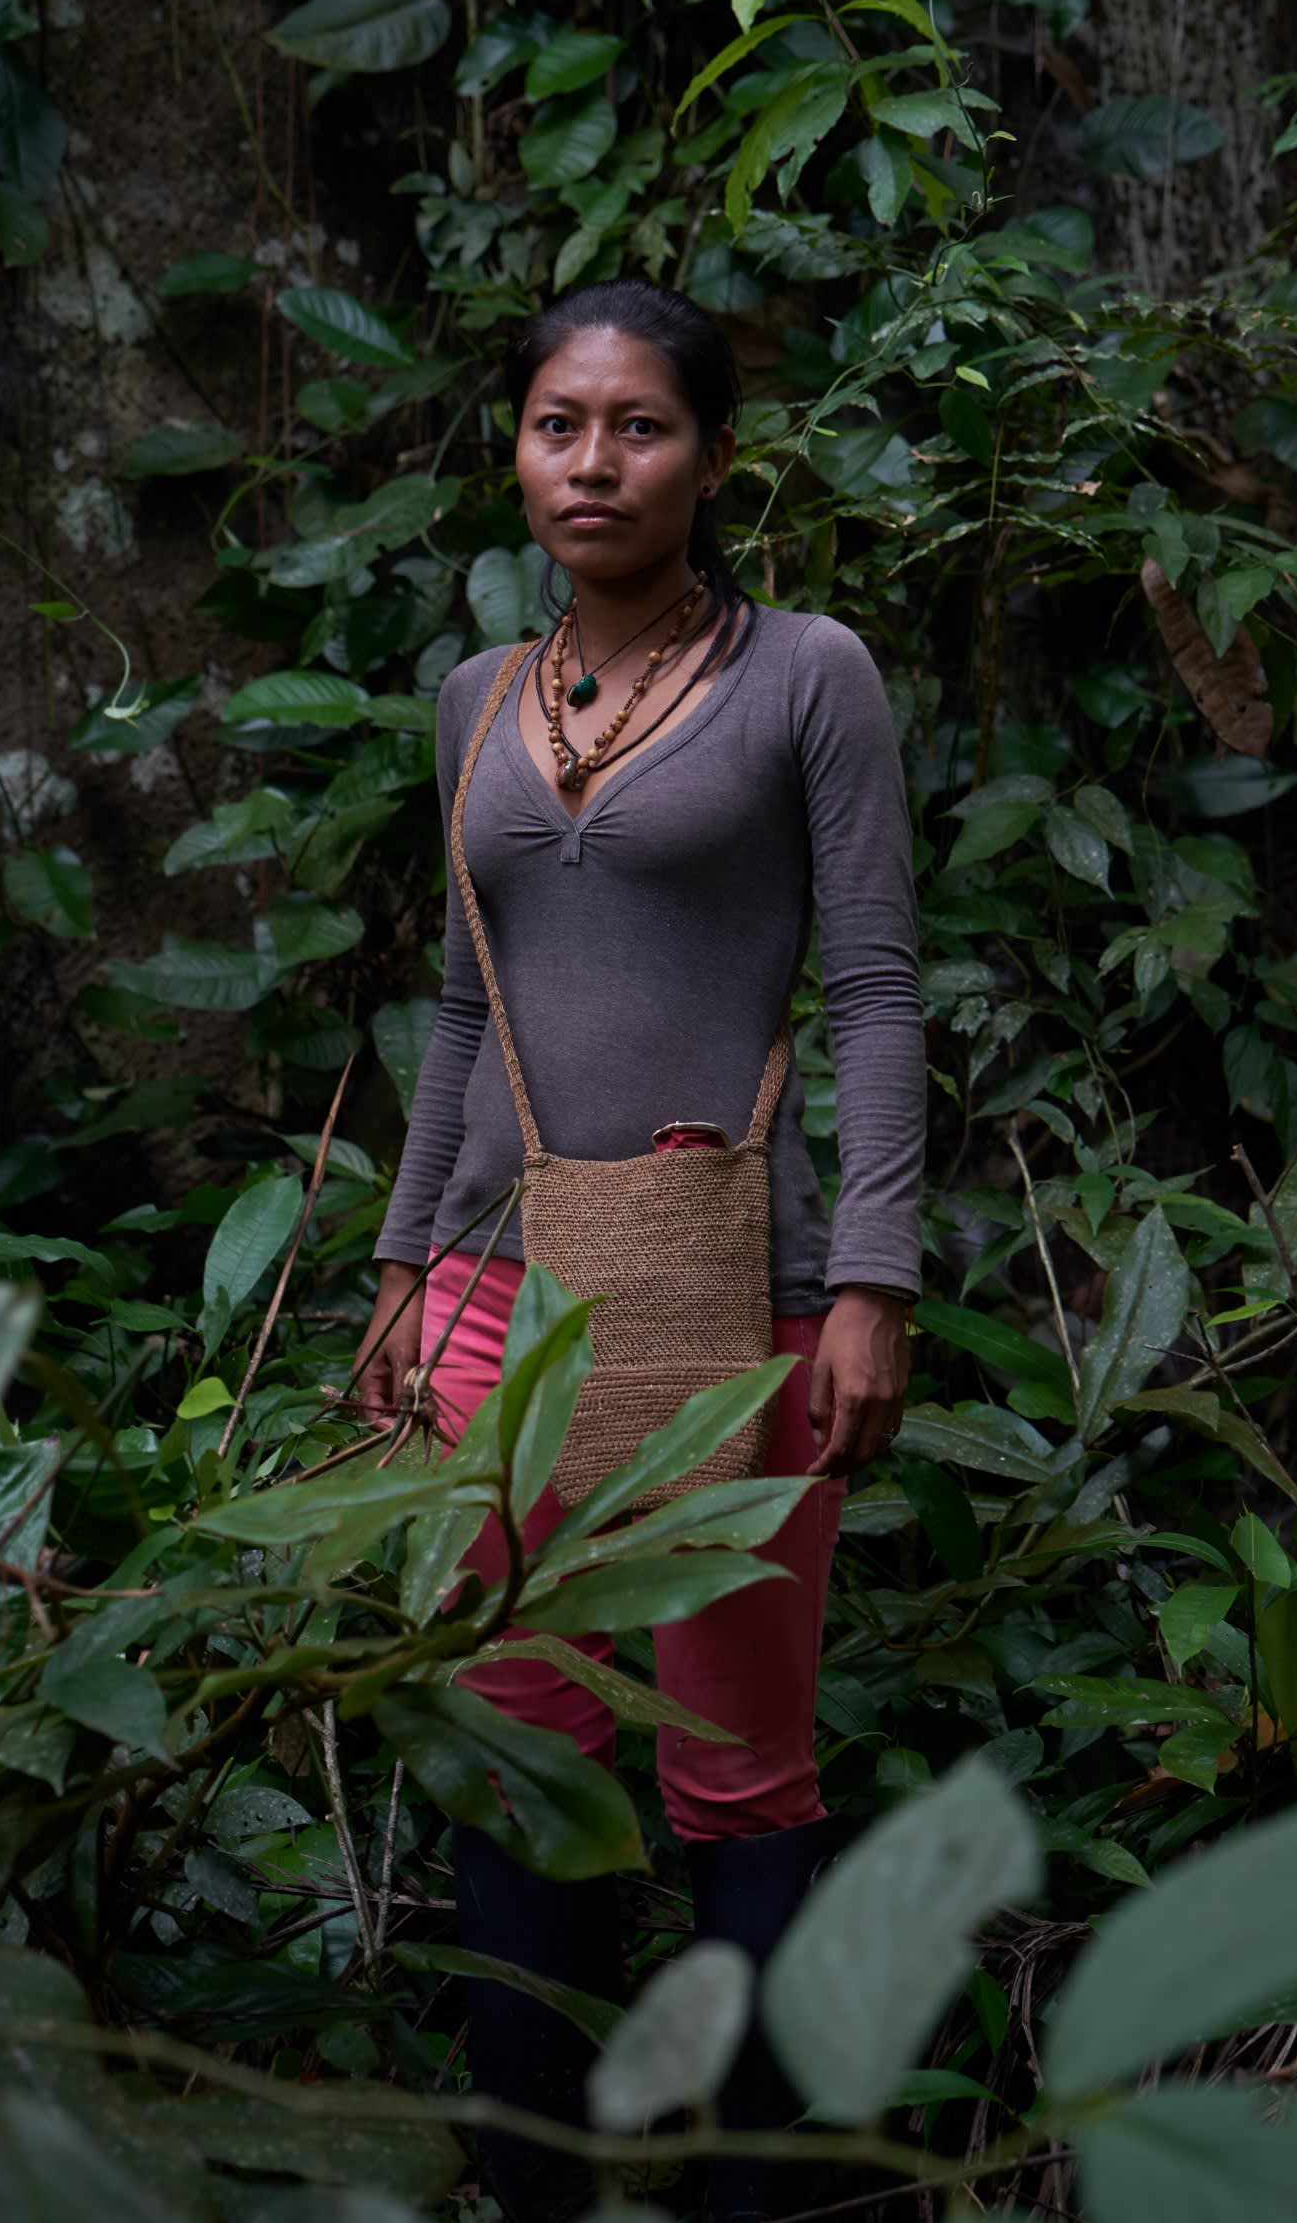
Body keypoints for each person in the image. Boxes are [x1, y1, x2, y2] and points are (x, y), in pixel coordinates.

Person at [355, 277, 927, 2222]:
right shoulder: (475, 703)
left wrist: (871, 1278)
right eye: (555, 425)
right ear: (512, 450)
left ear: (712, 453)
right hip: (493, 1293)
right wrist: (398, 1267)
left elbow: (871, 994)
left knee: (736, 1766)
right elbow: (459, 1013)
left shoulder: (805, 677)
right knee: (524, 1743)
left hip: (731, 1293)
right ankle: (541, 2185)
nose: (591, 461)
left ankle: (755, 2193)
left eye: (637, 426)